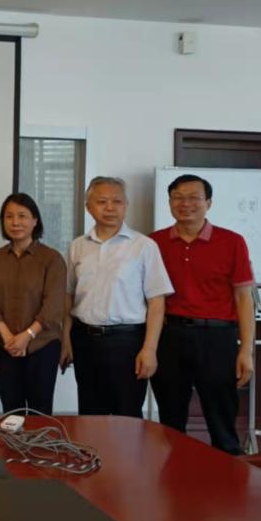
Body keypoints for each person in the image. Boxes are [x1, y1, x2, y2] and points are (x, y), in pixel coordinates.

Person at [150, 174, 256, 454]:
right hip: (169, 337)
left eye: (194, 198)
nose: (185, 204)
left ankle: (229, 473)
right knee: (170, 419)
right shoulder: (154, 243)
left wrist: (246, 350)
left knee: (222, 419)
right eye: (178, 197)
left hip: (217, 338)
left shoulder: (232, 242)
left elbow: (243, 298)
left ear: (208, 203)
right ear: (169, 202)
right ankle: (174, 475)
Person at [62, 177, 173, 417]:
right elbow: (68, 296)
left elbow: (156, 302)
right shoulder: (77, 246)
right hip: (85, 340)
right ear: (88, 206)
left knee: (127, 416)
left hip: (128, 342)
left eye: (117, 201)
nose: (110, 208)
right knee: (90, 415)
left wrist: (149, 349)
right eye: (102, 201)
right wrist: (66, 340)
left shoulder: (144, 246)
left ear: (126, 205)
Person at [0, 193, 65, 414]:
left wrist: (27, 335)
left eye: (22, 216)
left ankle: (39, 441)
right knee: (10, 409)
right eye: (9, 216)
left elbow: (54, 304)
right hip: (5, 345)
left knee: (40, 410)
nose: (15, 222)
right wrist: (8, 337)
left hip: (42, 345)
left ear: (35, 220)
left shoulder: (52, 258)